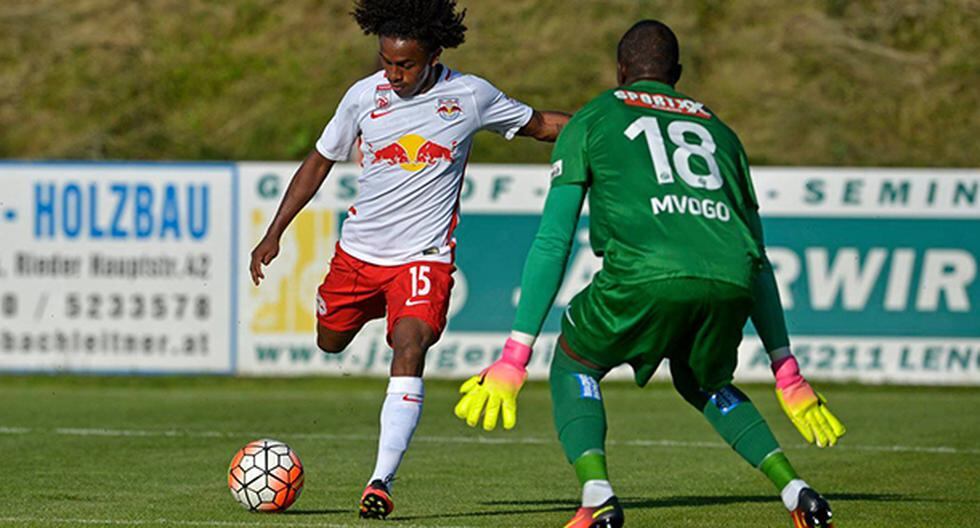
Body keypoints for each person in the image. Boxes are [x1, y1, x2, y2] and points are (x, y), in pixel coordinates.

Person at [454, 20, 846, 528]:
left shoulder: (593, 117)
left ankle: (597, 494)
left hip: (643, 276)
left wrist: (514, 357)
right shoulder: (722, 133)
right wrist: (786, 372)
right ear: (676, 75)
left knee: (575, 362)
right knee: (703, 380)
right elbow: (758, 257)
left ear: (620, 71)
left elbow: (554, 240)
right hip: (729, 283)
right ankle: (797, 492)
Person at [248, 0, 569, 520]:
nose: (394, 75)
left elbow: (541, 125)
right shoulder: (362, 97)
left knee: (410, 342)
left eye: (406, 65)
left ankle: (380, 480)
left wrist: (606, 129)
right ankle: (377, 311)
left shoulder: (470, 95)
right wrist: (274, 231)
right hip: (358, 256)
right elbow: (319, 161)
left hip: (424, 258)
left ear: (434, 55)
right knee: (329, 342)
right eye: (386, 62)